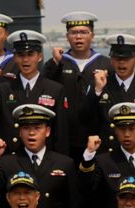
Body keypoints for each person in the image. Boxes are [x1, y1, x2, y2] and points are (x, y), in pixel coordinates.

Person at [0, 105, 79, 208]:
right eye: (26, 128)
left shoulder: (64, 163)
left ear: (47, 131)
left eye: (37, 128)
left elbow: (74, 205)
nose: (31, 133)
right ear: (20, 132)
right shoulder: (7, 163)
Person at [0, 30, 70, 156]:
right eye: (21, 55)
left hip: (44, 158)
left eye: (30, 54)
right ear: (15, 58)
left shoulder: (55, 89)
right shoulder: (4, 88)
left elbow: (61, 133)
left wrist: (60, 163)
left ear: (39, 56)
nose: (25, 60)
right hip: (12, 158)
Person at [41, 12, 112, 160]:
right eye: (74, 33)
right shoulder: (59, 62)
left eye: (83, 32)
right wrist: (54, 63)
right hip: (65, 139)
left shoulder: (105, 64)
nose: (78, 37)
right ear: (67, 36)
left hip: (96, 137)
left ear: (92, 36)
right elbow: (42, 85)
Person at [87, 34, 135, 152]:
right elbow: (85, 117)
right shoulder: (100, 85)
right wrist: (97, 91)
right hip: (107, 156)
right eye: (117, 59)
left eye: (127, 59)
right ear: (111, 61)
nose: (122, 63)